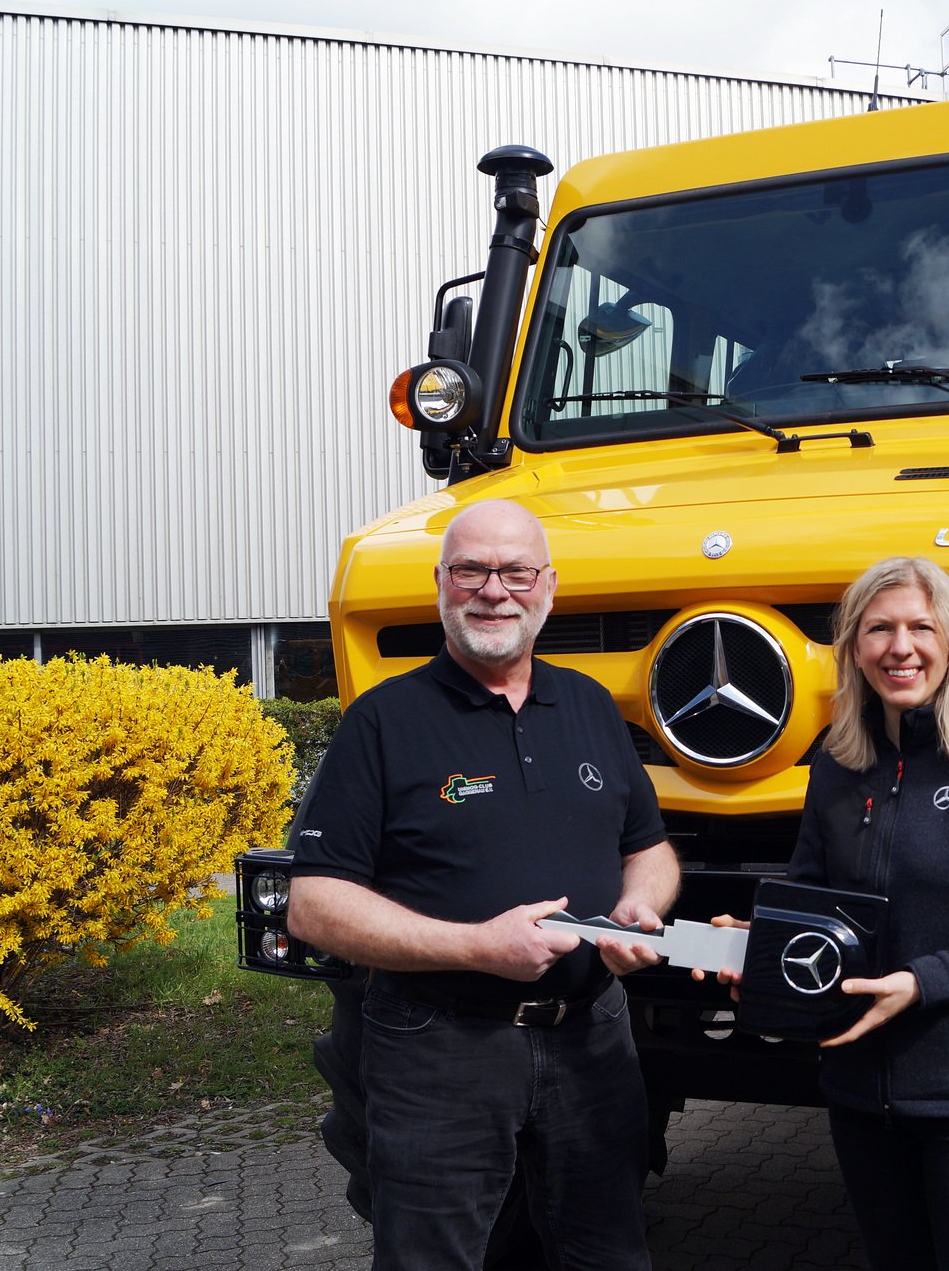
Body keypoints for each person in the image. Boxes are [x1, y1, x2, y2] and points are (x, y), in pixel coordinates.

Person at [286, 499, 679, 1271]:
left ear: (549, 587)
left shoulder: (592, 707)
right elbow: (314, 904)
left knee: (610, 1252)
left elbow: (651, 849)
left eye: (515, 571)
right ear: (440, 583)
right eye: (471, 570)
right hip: (441, 1046)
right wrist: (476, 946)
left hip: (591, 1039)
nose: (494, 590)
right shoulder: (383, 722)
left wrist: (643, 904)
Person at [704, 555, 949, 1270]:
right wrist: (759, 952)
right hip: (859, 1097)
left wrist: (924, 981)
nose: (899, 646)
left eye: (919, 626)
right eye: (878, 628)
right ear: (853, 648)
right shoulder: (836, 767)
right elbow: (812, 904)